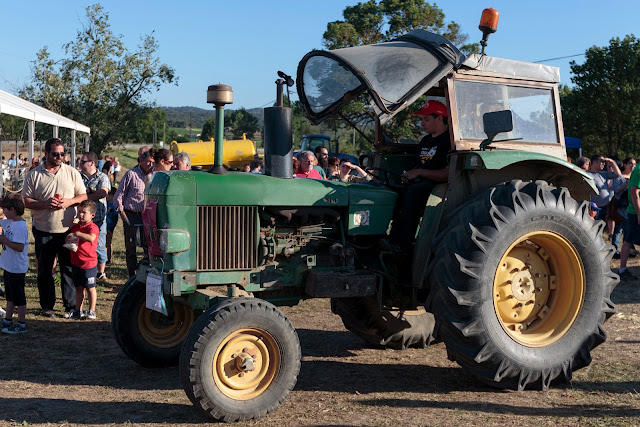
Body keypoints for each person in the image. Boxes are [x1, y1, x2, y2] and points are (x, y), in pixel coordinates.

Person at [22, 138, 87, 318]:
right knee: (44, 270)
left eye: (62, 154)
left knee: (67, 269)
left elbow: (83, 195)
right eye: (55, 154)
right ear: (46, 154)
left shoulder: (72, 172)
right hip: (43, 229)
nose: (59, 157)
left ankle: (70, 305)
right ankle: (47, 305)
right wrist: (44, 204)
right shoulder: (34, 175)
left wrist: (69, 201)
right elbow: (26, 201)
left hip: (68, 230)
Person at [391, 100, 452, 253]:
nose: (422, 124)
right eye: (421, 120)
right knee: (393, 189)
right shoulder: (425, 141)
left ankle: (404, 244)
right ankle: (390, 237)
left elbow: (447, 173)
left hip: (439, 187)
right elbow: (419, 166)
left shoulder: (449, 141)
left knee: (413, 192)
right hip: (421, 182)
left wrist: (419, 172)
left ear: (439, 118)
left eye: (426, 119)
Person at [113, 145, 154, 277]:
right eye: (148, 161)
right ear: (141, 160)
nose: (150, 164)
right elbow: (118, 195)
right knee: (131, 248)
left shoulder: (155, 176)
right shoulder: (131, 174)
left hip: (147, 216)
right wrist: (123, 214)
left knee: (149, 246)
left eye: (153, 162)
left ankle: (148, 274)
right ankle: (132, 276)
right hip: (131, 215)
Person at [0, 194, 29, 334]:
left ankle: (22, 323)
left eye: (4, 209)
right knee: (10, 296)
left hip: (17, 268)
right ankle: (8, 319)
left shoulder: (19, 226)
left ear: (12, 210)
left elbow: (19, 247)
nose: (2, 212)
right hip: (9, 266)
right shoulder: (10, 221)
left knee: (19, 297)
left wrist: (3, 240)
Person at [79, 152, 111, 281]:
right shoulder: (78, 176)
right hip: (80, 219)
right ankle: (83, 268)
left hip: (98, 219)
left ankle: (100, 272)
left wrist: (83, 196)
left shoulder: (102, 177)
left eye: (82, 162)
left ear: (92, 163)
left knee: (99, 245)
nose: (79, 164)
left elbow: (102, 193)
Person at [65, 200, 99, 319]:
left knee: (90, 288)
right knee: (78, 288)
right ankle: (77, 310)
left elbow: (91, 238)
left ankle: (91, 310)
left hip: (88, 264)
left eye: (84, 212)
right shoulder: (76, 226)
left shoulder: (92, 227)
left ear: (92, 215)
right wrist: (69, 238)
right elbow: (71, 237)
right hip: (76, 263)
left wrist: (78, 234)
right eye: (79, 211)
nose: (81, 214)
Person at [610, 157, 636, 256]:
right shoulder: (619, 177)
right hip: (621, 209)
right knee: (618, 230)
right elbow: (616, 191)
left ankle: (628, 251)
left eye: (634, 164)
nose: (632, 166)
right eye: (630, 164)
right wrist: (625, 186)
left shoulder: (635, 177)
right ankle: (615, 251)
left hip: (632, 209)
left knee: (628, 231)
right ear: (624, 165)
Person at [619, 162, 640, 280]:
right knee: (628, 240)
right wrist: (639, 213)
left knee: (628, 240)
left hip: (635, 212)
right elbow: (634, 192)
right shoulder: (639, 171)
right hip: (635, 212)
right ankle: (622, 270)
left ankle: (623, 269)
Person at [588, 154, 621, 221]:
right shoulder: (588, 175)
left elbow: (618, 174)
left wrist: (612, 162)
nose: (604, 164)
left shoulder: (603, 174)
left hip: (605, 207)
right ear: (594, 162)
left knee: (600, 228)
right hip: (594, 208)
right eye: (601, 161)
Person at [105, 187, 118, 265]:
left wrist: (111, 228)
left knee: (108, 243)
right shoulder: (104, 203)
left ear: (112, 196)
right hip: (103, 226)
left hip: (109, 227)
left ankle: (109, 259)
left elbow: (115, 218)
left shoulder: (114, 206)